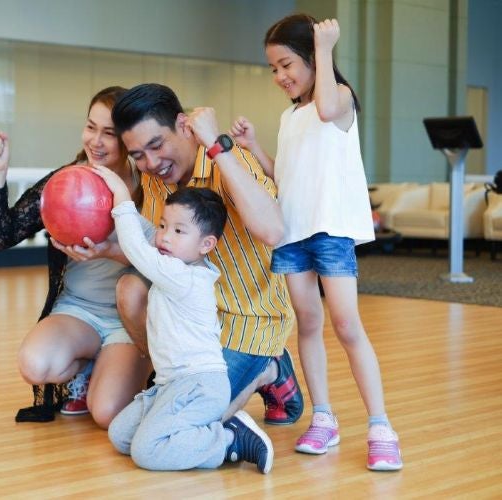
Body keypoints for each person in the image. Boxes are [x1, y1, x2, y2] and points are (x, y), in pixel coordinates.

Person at [229, 14, 402, 471]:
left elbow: (327, 108)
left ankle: (381, 426)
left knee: (347, 327)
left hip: (329, 231)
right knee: (307, 324)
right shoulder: (290, 116)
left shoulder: (339, 98)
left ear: (310, 57)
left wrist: (325, 50)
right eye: (273, 69)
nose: (280, 76)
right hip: (292, 233)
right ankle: (323, 416)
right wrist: (254, 147)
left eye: (287, 64)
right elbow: (282, 177)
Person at [110, 83, 303, 428]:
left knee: (190, 424)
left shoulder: (230, 161)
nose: (151, 162)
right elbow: (162, 248)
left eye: (157, 144)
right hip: (194, 322)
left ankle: (270, 367)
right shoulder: (157, 177)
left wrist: (217, 145)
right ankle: (171, 379)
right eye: (138, 155)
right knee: (130, 289)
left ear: (184, 126)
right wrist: (103, 249)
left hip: (249, 319)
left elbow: (273, 231)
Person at [0, 86, 151, 428]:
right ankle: (89, 369)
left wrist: (111, 252)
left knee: (105, 414)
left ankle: (133, 367)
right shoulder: (67, 180)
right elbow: (2, 236)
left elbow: (167, 259)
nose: (96, 141)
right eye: (91, 127)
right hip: (79, 311)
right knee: (35, 365)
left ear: (128, 138)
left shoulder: (150, 186)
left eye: (110, 133)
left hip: (129, 319)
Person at [91, 165, 273, 473]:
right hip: (170, 385)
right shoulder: (176, 268)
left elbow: (136, 248)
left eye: (178, 231)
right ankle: (198, 434)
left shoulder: (183, 276)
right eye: (162, 226)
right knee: (121, 436)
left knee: (146, 452)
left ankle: (230, 439)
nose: (163, 237)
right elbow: (142, 244)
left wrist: (121, 197)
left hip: (198, 386)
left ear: (206, 245)